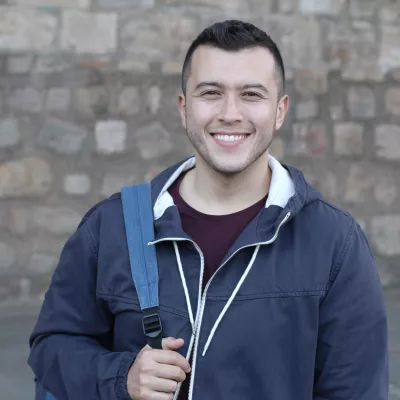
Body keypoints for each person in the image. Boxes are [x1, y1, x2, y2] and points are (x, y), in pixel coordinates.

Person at [28, 20, 389, 400]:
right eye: (211, 92)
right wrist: (121, 378)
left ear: (280, 110)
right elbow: (52, 348)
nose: (230, 113)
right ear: (184, 107)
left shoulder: (335, 242)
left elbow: (356, 390)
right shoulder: (111, 227)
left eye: (251, 94)